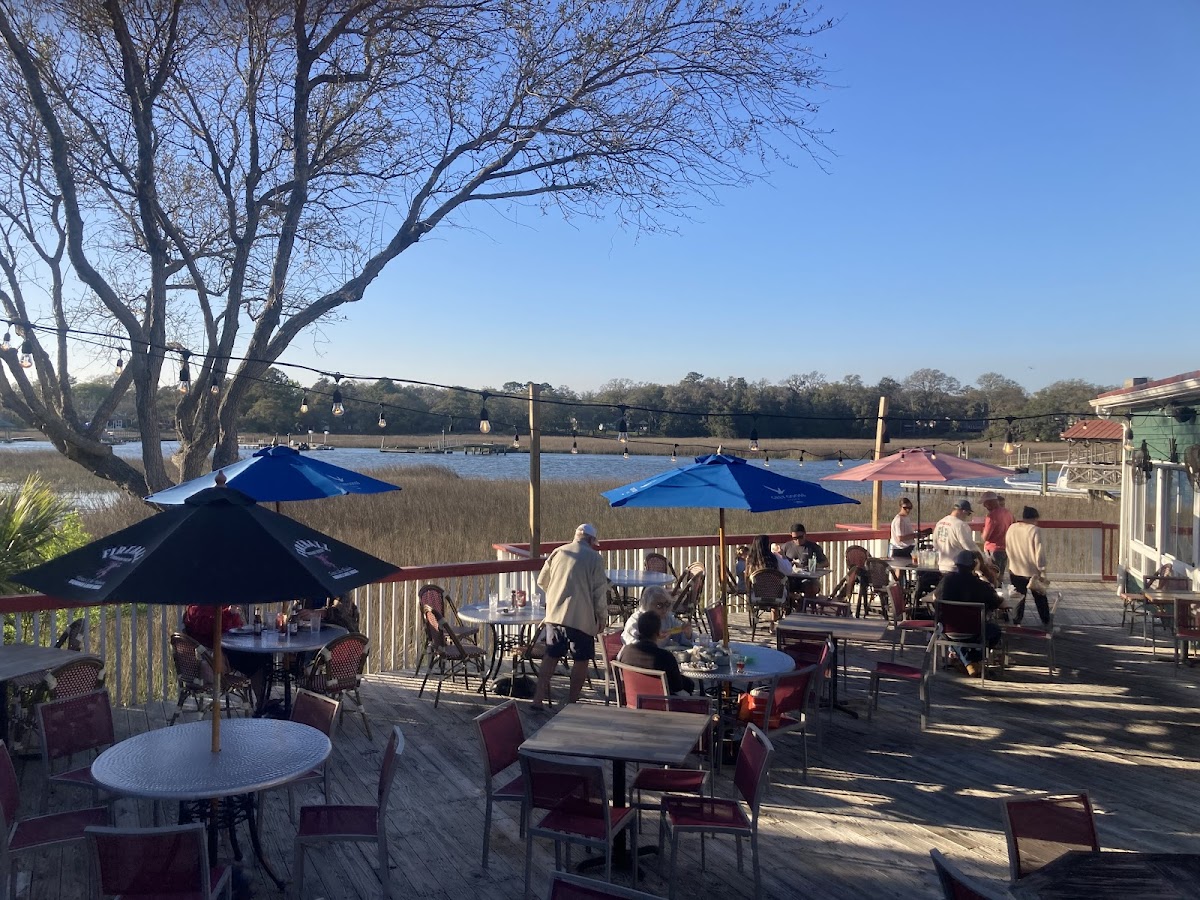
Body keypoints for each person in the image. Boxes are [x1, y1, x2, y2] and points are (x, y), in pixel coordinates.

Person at [529, 523, 609, 710]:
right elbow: (599, 592)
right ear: (591, 540)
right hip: (581, 618)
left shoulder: (558, 552)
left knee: (551, 656)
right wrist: (602, 617)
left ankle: (538, 699)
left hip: (555, 615)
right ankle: (571, 703)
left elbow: (542, 581)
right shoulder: (595, 558)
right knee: (581, 660)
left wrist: (557, 594)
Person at [182, 604, 270, 708]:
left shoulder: (221, 604)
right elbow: (209, 626)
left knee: (263, 657)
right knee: (257, 661)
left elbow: (237, 626)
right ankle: (262, 704)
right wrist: (228, 613)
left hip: (228, 648)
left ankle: (263, 702)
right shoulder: (196, 607)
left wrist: (233, 615)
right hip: (213, 655)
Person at [934, 549, 1002, 676]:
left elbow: (936, 598)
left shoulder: (946, 581)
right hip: (974, 630)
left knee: (957, 638)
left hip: (948, 629)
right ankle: (972, 660)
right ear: (974, 565)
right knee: (995, 631)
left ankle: (965, 661)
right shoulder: (980, 585)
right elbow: (995, 602)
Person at [616, 610, 695, 695]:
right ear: (658, 632)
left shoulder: (626, 652)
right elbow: (677, 687)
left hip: (633, 698)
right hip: (660, 700)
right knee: (689, 686)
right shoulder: (665, 657)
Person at [1007, 506, 1051, 625]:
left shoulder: (1012, 528)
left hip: (1015, 568)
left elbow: (1007, 547)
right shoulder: (1035, 530)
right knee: (1040, 597)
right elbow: (1039, 552)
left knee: (1018, 598)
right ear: (1035, 518)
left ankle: (1016, 622)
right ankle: (1046, 621)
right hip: (1032, 572)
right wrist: (1042, 569)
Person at [621, 585, 691, 646]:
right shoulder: (635, 621)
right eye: (659, 605)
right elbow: (631, 645)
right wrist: (653, 640)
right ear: (647, 605)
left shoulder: (667, 618)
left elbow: (680, 637)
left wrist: (687, 634)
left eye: (667, 604)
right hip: (641, 655)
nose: (664, 609)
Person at [779, 523, 828, 598]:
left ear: (805, 534)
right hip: (790, 578)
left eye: (800, 537)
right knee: (779, 584)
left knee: (811, 586)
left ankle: (805, 603)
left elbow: (826, 563)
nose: (798, 540)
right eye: (795, 538)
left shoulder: (813, 547)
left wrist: (814, 566)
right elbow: (780, 561)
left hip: (808, 578)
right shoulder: (786, 547)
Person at [933, 499, 979, 573]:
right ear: (964, 511)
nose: (967, 516)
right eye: (968, 514)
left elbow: (935, 544)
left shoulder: (940, 523)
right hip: (956, 567)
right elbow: (969, 547)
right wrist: (984, 559)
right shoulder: (961, 525)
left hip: (942, 566)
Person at [980, 491, 1014, 586]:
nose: (984, 506)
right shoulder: (1008, 513)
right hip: (1005, 548)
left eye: (985, 503)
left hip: (993, 549)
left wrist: (982, 531)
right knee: (1000, 576)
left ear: (990, 502)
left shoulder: (991, 516)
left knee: (991, 577)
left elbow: (985, 537)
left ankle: (992, 593)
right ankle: (999, 591)